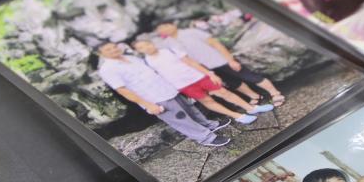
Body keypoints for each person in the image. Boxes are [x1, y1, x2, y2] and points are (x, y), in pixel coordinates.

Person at [97, 42, 231, 148]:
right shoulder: (108, 69)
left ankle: (208, 124)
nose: (114, 50)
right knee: (180, 119)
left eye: (114, 47)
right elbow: (122, 90)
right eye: (108, 49)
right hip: (153, 98)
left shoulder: (131, 58)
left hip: (167, 89)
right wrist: (148, 105)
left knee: (190, 109)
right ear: (100, 53)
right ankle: (206, 138)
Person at [132, 40, 273, 125]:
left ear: (151, 43)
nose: (147, 47)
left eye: (147, 44)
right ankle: (238, 116)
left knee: (224, 92)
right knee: (207, 101)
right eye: (142, 47)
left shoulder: (169, 50)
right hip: (183, 86)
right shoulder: (146, 63)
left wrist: (210, 74)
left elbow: (191, 62)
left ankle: (251, 108)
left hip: (198, 77)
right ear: (139, 51)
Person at [156, 22, 286, 107]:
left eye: (166, 25)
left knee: (249, 76)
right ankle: (255, 96)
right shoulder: (168, 43)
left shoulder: (191, 32)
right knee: (233, 83)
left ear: (173, 25)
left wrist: (230, 59)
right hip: (206, 69)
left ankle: (275, 93)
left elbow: (216, 43)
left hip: (220, 60)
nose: (165, 29)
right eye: (161, 29)